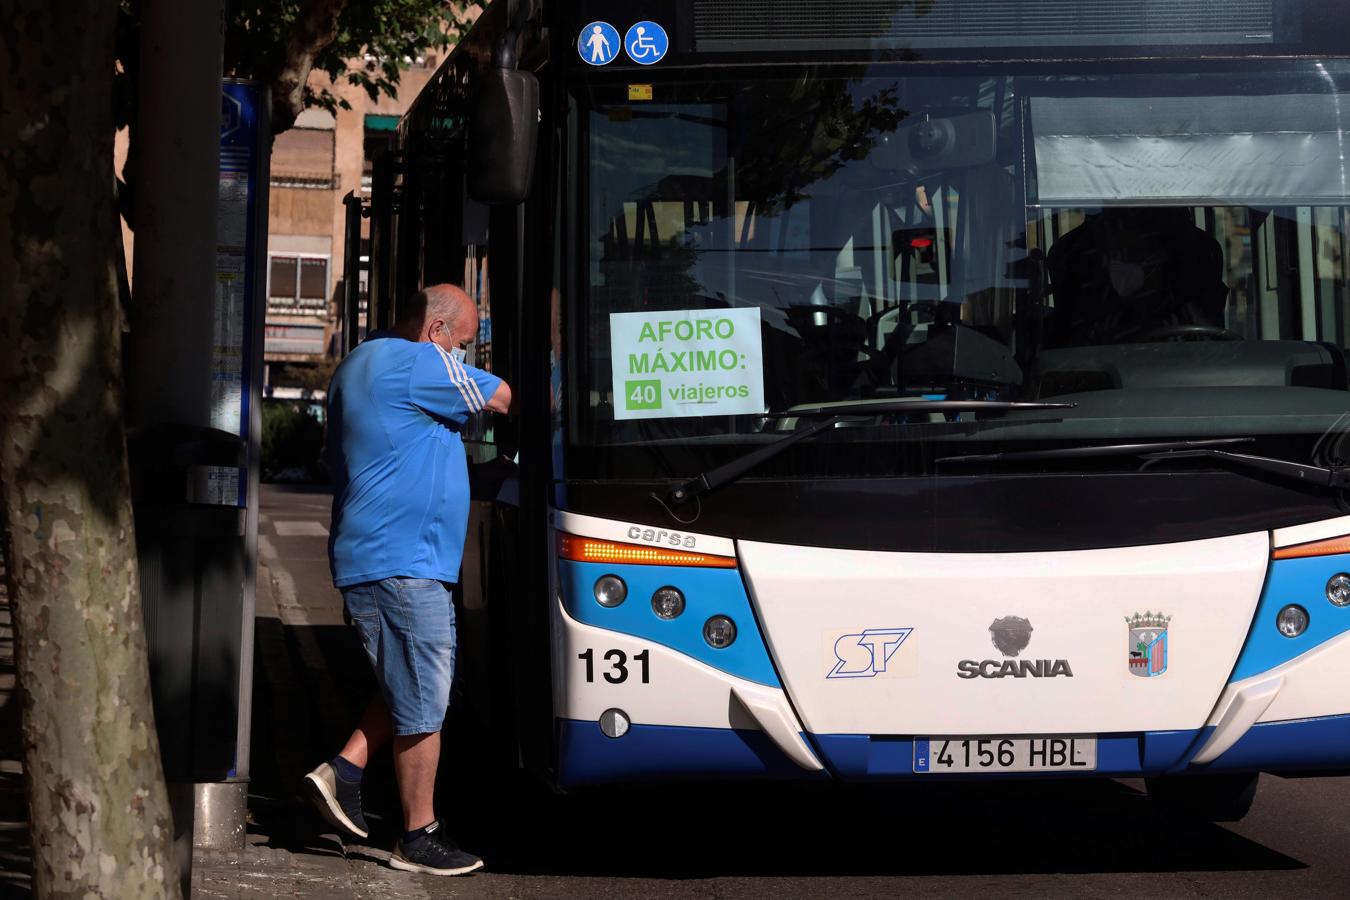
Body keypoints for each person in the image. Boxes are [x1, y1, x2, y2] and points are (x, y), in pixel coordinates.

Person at [304, 284, 511, 876]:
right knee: (426, 700)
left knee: (415, 679)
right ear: (436, 331)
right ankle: (418, 836)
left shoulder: (360, 364)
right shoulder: (417, 361)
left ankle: (342, 772)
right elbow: (504, 397)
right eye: (464, 346)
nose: (464, 359)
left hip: (383, 555)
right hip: (402, 561)